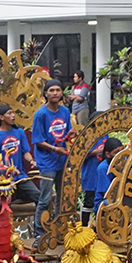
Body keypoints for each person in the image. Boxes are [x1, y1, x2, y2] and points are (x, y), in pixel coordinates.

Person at [31, 82, 75, 237]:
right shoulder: (40, 114)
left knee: (62, 198)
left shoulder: (64, 111)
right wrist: (55, 149)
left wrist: (71, 134)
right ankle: (39, 232)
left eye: (58, 90)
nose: (55, 93)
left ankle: (58, 229)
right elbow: (37, 140)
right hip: (47, 162)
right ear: (46, 94)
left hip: (62, 161)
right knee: (45, 199)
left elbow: (67, 131)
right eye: (52, 90)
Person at [0, 105, 39, 204]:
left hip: (20, 176)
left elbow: (25, 152)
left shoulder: (19, 132)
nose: (13, 116)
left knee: (38, 196)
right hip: (4, 179)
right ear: (1, 117)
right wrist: (8, 169)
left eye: (13, 113)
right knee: (3, 205)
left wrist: (31, 161)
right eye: (9, 113)